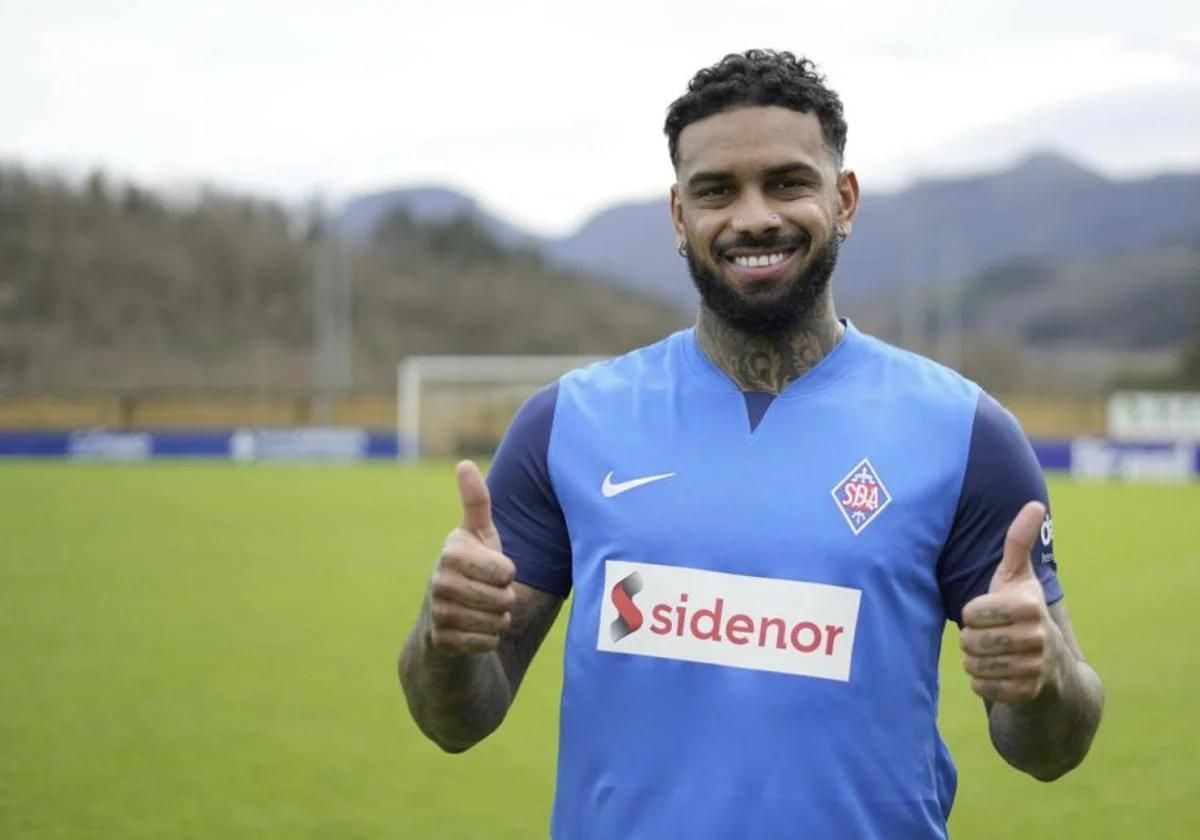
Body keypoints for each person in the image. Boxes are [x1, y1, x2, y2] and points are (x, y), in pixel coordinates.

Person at [399, 49, 1104, 839]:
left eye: (788, 182)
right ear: (678, 218)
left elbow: (1053, 746)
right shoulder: (567, 424)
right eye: (716, 191)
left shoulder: (965, 432)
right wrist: (445, 638)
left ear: (844, 200)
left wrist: (1041, 681)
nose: (754, 216)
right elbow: (455, 718)